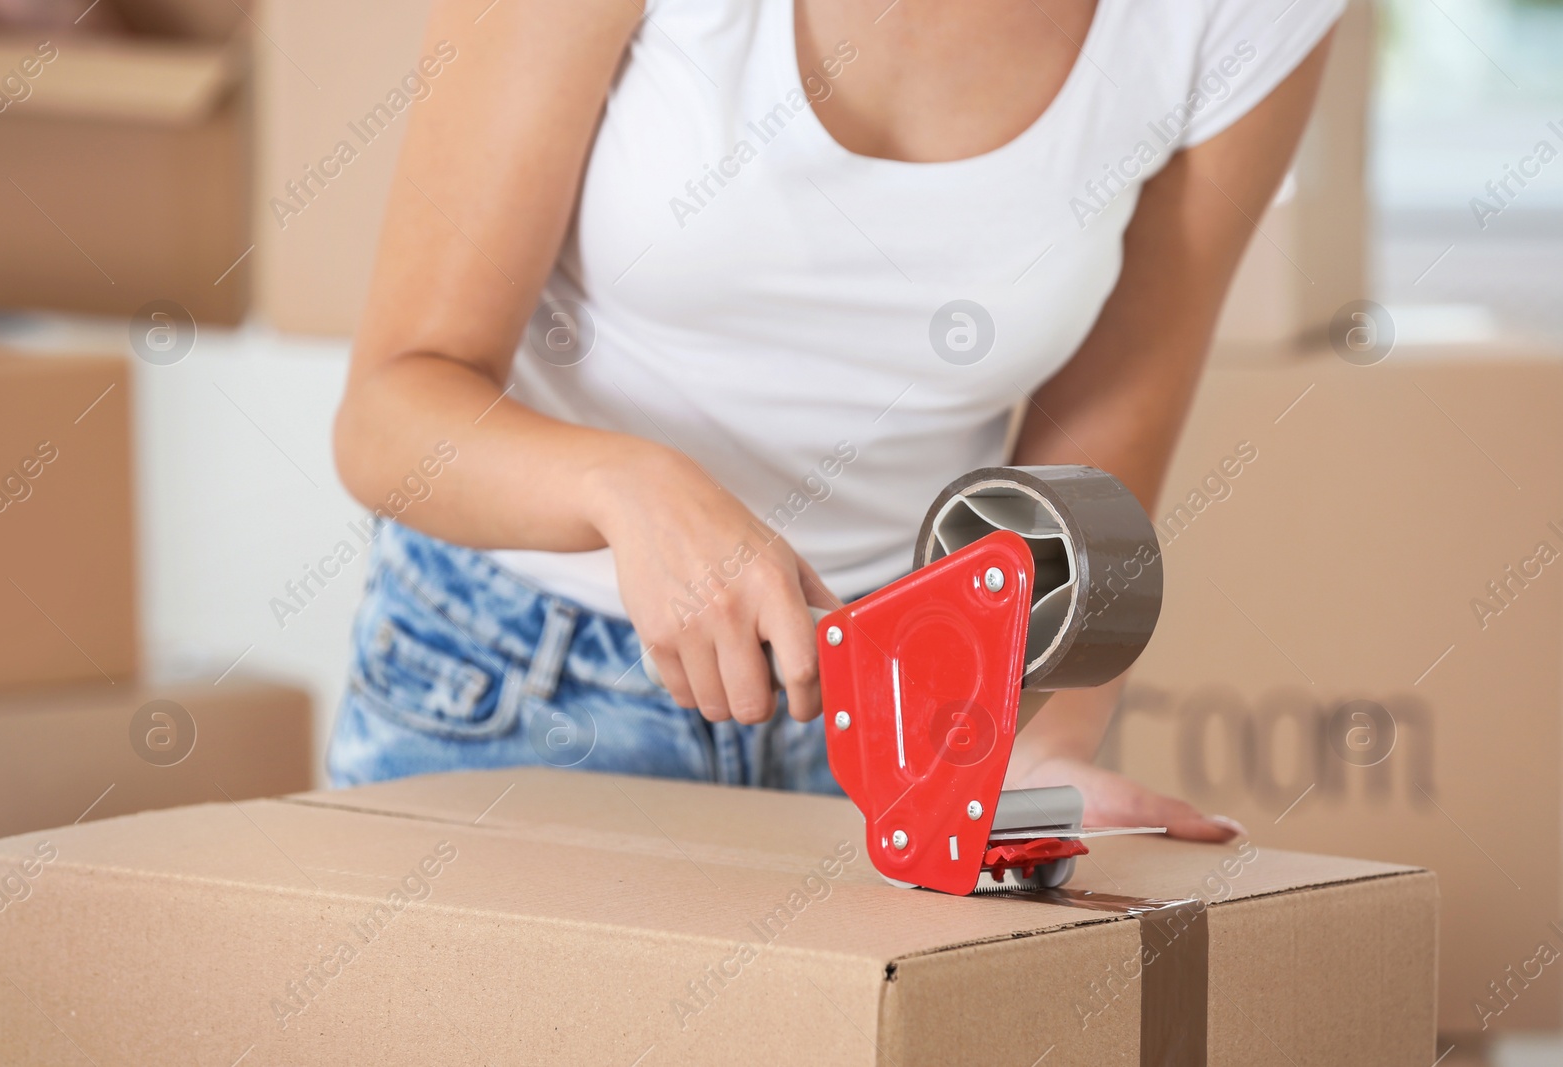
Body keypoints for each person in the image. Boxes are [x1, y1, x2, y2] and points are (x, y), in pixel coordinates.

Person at [329, 0, 1342, 842]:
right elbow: (391, 412)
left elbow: (1095, 464)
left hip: (897, 709)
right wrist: (626, 488)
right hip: (516, 685)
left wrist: (1026, 746)